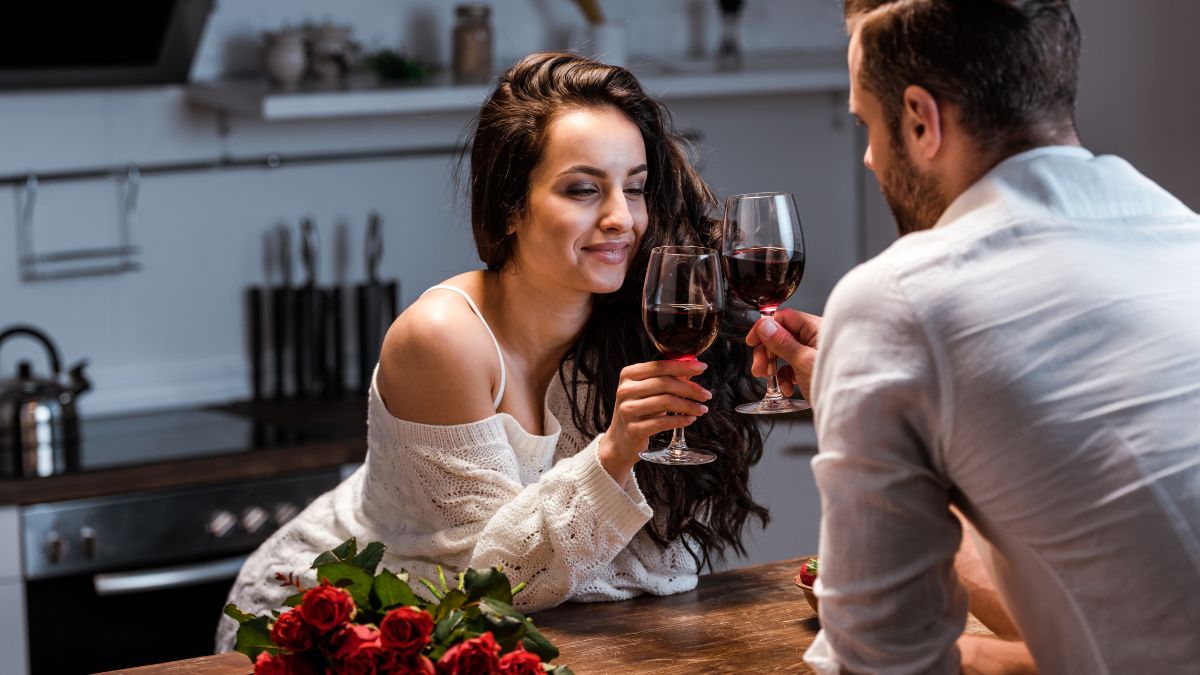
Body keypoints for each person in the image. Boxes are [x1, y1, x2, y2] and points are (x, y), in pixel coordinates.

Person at [216, 51, 769, 653]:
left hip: (494, 639)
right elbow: (498, 584)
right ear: (510, 206)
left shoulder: (634, 324)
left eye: (634, 188)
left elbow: (662, 562)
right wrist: (613, 455)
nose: (620, 219)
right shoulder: (443, 339)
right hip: (332, 626)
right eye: (583, 189)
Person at [747, 1, 1200, 673]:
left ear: (922, 121)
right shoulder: (1183, 236)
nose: (870, 157)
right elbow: (1134, 598)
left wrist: (874, 370)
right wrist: (864, 392)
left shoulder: (900, 299)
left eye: (867, 125)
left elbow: (881, 661)